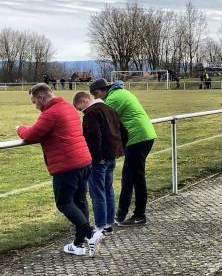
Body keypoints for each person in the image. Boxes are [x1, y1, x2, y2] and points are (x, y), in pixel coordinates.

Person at [16, 83, 103, 257]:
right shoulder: (68, 108)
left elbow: (32, 134)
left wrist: (20, 129)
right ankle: (78, 245)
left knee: (64, 203)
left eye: (35, 101)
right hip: (84, 161)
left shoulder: (50, 113)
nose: (35, 106)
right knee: (80, 202)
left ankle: (91, 233)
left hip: (67, 166)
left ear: (41, 98)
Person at [90, 78, 157, 226]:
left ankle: (139, 215)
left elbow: (100, 118)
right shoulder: (121, 93)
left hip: (138, 138)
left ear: (103, 90)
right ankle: (120, 215)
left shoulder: (113, 98)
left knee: (137, 178)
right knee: (128, 177)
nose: (96, 98)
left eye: (96, 94)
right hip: (141, 137)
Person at [73, 91, 127, 236]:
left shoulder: (91, 113)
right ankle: (109, 225)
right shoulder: (110, 109)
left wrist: (97, 157)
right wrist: (119, 150)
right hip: (111, 156)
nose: (81, 111)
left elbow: (94, 137)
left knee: (97, 193)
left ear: (84, 101)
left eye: (79, 108)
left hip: (99, 159)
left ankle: (100, 226)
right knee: (108, 190)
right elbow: (124, 131)